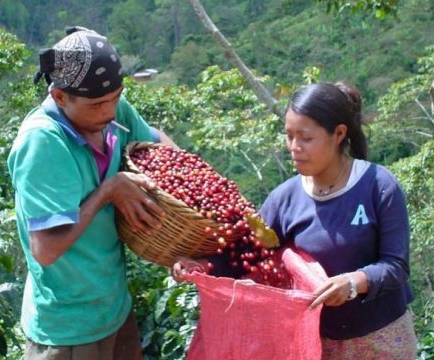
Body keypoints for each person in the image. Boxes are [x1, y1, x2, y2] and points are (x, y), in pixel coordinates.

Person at [173, 82, 416, 359]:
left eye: (306, 138)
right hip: (315, 342)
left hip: (381, 339)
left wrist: (352, 283)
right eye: (289, 136)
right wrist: (202, 265)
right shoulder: (285, 199)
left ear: (338, 134)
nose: (294, 147)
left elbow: (395, 266)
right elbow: (245, 254)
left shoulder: (378, 186)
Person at [7, 26, 175, 360]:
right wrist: (108, 191)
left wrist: (191, 180)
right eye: (97, 104)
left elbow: (158, 149)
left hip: (113, 308)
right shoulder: (43, 143)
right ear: (59, 97)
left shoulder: (114, 111)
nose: (109, 112)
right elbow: (46, 249)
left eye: (115, 98)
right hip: (68, 329)